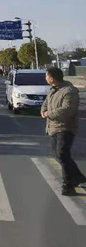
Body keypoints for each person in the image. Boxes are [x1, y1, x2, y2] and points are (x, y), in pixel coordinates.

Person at [41, 66, 86, 196]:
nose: (45, 78)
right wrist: (43, 111)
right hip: (52, 127)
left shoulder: (69, 91)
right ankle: (77, 177)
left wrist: (48, 114)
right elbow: (46, 103)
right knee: (61, 155)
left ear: (52, 78)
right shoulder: (53, 90)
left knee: (62, 155)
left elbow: (67, 109)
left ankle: (68, 186)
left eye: (46, 75)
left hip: (65, 128)